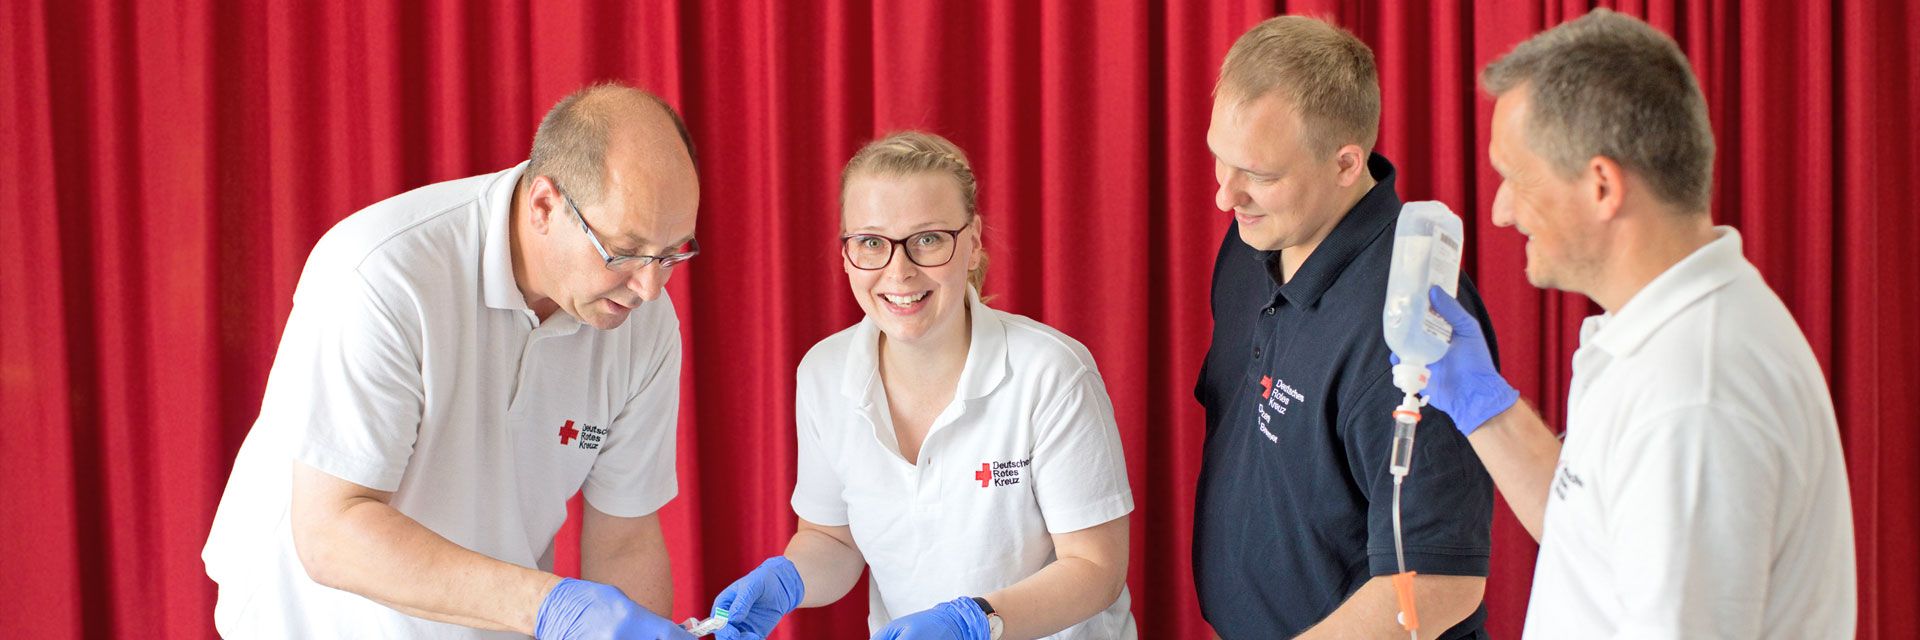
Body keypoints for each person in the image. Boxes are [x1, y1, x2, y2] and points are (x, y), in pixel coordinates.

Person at [202, 83, 703, 639]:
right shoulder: (384, 273)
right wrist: (548, 606)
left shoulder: (643, 321)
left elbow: (624, 538)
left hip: (488, 622)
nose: (650, 287)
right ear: (544, 205)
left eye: (674, 252)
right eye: (626, 251)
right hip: (315, 621)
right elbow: (332, 531)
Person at [1417, 9, 1857, 637]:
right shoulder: (1664, 335)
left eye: (1516, 179)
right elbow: (1592, 537)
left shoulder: (1692, 397)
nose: (1500, 211)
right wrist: (1481, 404)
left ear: (1602, 186)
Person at [704, 132, 1135, 640]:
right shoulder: (822, 373)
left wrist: (977, 622)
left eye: (928, 239)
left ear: (972, 243)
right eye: (871, 242)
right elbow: (834, 543)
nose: (899, 271)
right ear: (846, 255)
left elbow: (1096, 569)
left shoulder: (1051, 372)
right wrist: (789, 579)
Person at [1192, 15, 1498, 639]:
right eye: (1219, 160)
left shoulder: (1413, 319)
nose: (1226, 197)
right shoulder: (1253, 241)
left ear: (1345, 163)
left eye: (1260, 175)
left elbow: (1442, 586)